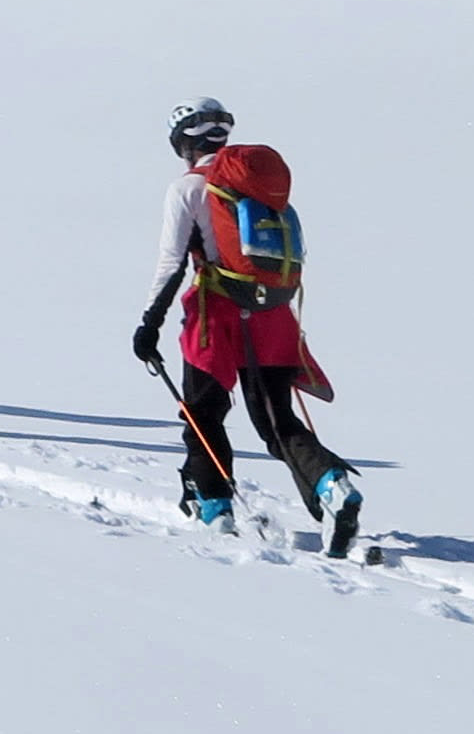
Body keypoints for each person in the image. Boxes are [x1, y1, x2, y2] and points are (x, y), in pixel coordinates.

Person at [135, 97, 367, 553]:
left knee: (203, 414)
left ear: (182, 143)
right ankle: (334, 486)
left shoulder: (187, 190)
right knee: (277, 421)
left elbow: (172, 262)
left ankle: (216, 512)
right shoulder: (257, 186)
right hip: (273, 315)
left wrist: (149, 323)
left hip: (216, 315)